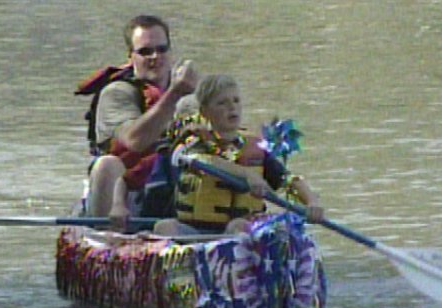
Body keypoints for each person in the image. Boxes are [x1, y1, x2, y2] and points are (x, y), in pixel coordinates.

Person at [153, 74, 324, 235]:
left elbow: (287, 179)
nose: (232, 107)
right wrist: (247, 174)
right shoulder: (193, 142)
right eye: (222, 103)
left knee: (238, 226)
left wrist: (311, 202)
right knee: (164, 227)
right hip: (195, 233)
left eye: (236, 101)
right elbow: (203, 161)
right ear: (205, 112)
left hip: (239, 232)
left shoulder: (256, 148)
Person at [80, 15, 198, 221]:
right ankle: (108, 237)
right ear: (130, 56)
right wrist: (175, 94)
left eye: (162, 49)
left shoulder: (190, 98)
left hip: (173, 184)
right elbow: (136, 141)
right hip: (125, 192)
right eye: (145, 51)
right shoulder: (116, 93)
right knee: (107, 164)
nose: (155, 56)